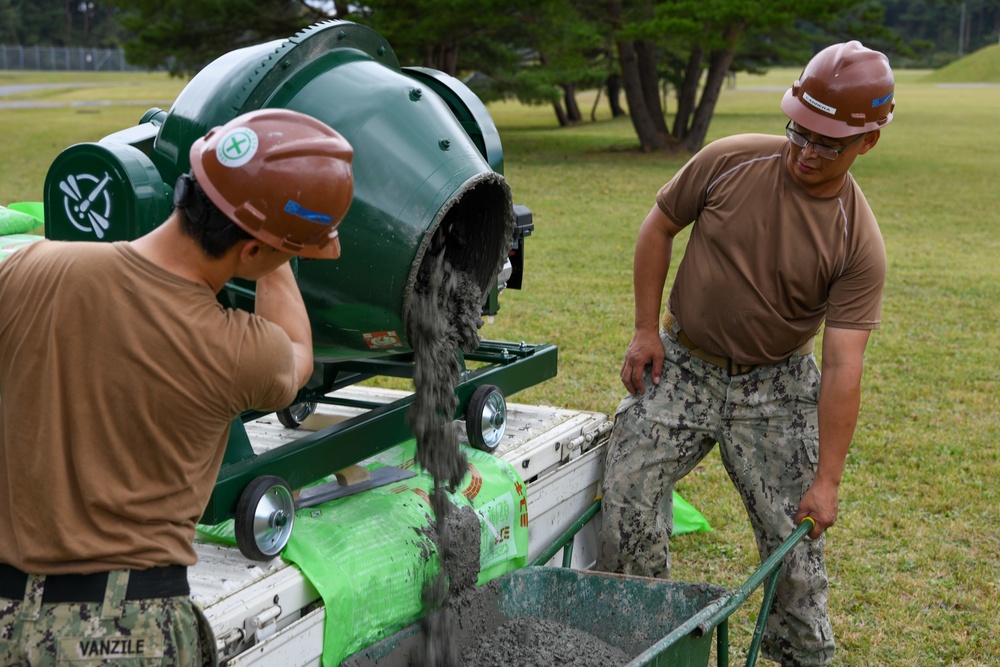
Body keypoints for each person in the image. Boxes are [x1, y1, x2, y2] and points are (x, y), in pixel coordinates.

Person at [0, 109, 354, 665]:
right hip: (124, 629)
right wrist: (278, 250)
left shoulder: (29, 270)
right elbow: (298, 356)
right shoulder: (241, 351)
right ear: (256, 253)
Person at [596, 41, 894, 667]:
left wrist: (828, 482)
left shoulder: (857, 240)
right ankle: (649, 645)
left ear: (866, 142)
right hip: (685, 366)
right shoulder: (731, 160)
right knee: (625, 500)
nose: (806, 151)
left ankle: (799, 657)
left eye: (828, 143)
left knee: (795, 556)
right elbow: (658, 225)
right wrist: (646, 330)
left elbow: (843, 366)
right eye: (800, 130)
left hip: (777, 390)